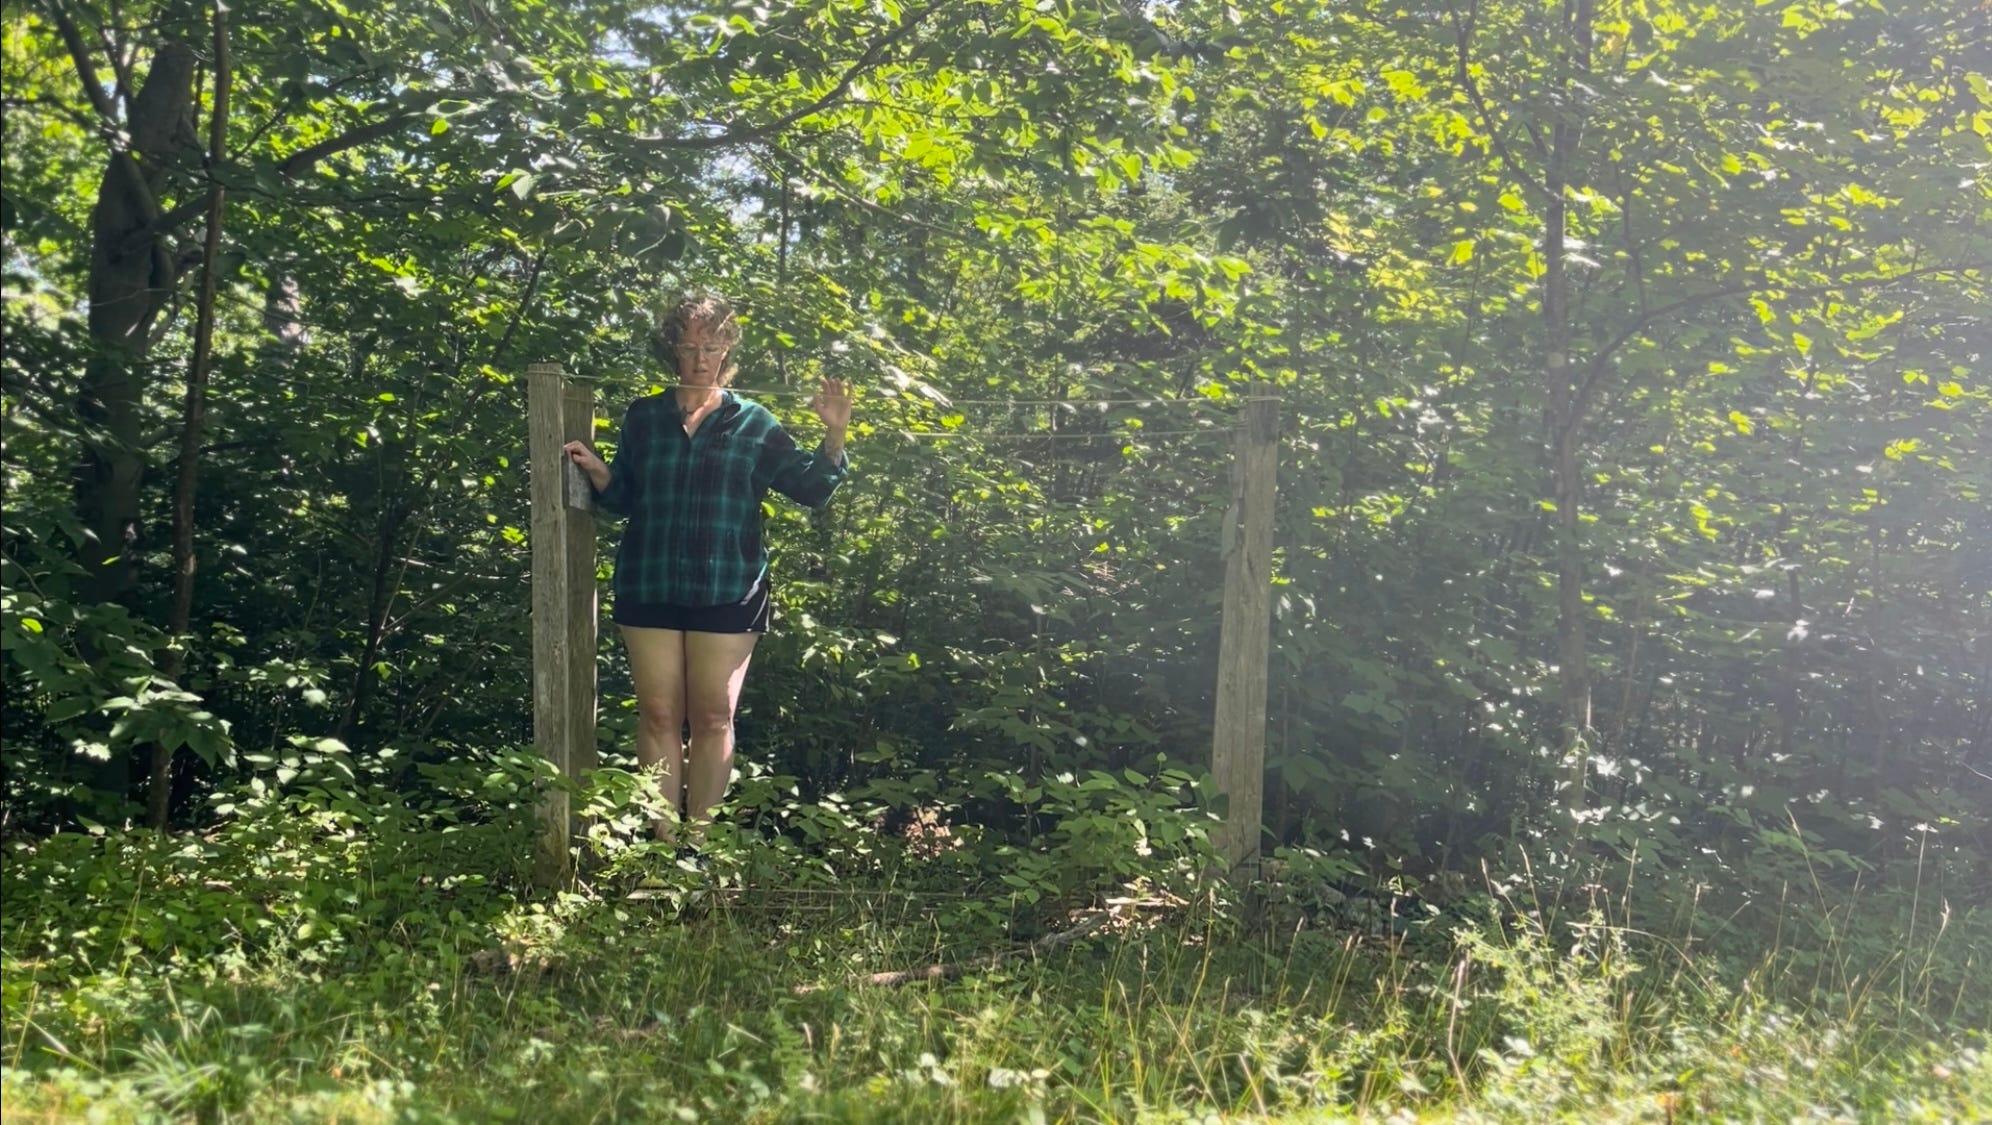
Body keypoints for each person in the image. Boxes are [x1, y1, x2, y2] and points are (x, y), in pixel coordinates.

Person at [563, 293, 851, 846]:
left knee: (714, 717)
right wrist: (598, 470)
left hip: (729, 587)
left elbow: (812, 488)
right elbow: (623, 498)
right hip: (649, 581)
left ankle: (695, 849)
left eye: (713, 346)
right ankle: (661, 846)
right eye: (690, 345)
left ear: (728, 350)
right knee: (657, 714)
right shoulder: (645, 417)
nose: (701, 357)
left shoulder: (754, 422)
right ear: (672, 348)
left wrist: (834, 434)